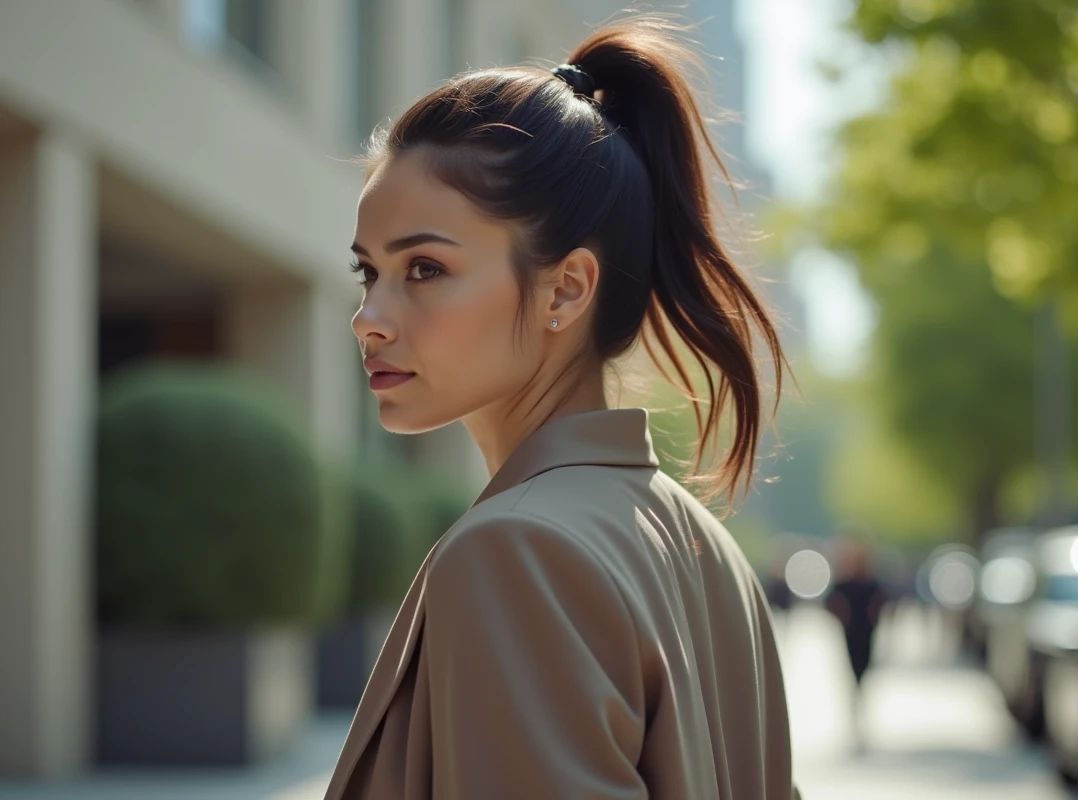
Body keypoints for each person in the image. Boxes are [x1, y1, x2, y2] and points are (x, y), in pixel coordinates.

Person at [323, 14, 801, 800]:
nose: (368, 317)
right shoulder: (706, 549)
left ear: (566, 288)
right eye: (368, 272)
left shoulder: (513, 551)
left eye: (425, 269)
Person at [823, 536, 888, 750]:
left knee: (864, 671)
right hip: (850, 633)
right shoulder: (843, 583)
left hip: (867, 633)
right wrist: (843, 615)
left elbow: (883, 601)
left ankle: (860, 709)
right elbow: (829, 603)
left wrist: (874, 615)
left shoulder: (870, 582)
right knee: (853, 672)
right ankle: (855, 714)